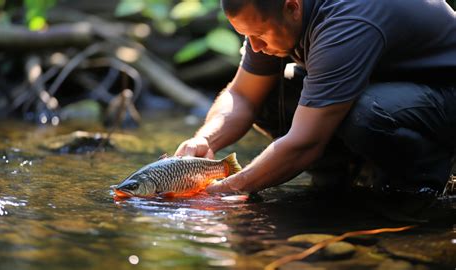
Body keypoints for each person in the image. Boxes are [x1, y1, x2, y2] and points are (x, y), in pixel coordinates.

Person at [175, 0, 456, 196]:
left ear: (292, 7)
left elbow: (305, 143)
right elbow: (243, 95)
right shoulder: (272, 17)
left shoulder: (345, 21)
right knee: (271, 94)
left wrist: (231, 188)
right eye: (248, 36)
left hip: (443, 89)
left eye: (259, 34)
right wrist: (205, 139)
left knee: (366, 114)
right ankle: (337, 179)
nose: (256, 47)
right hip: (388, 82)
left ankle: (421, 185)